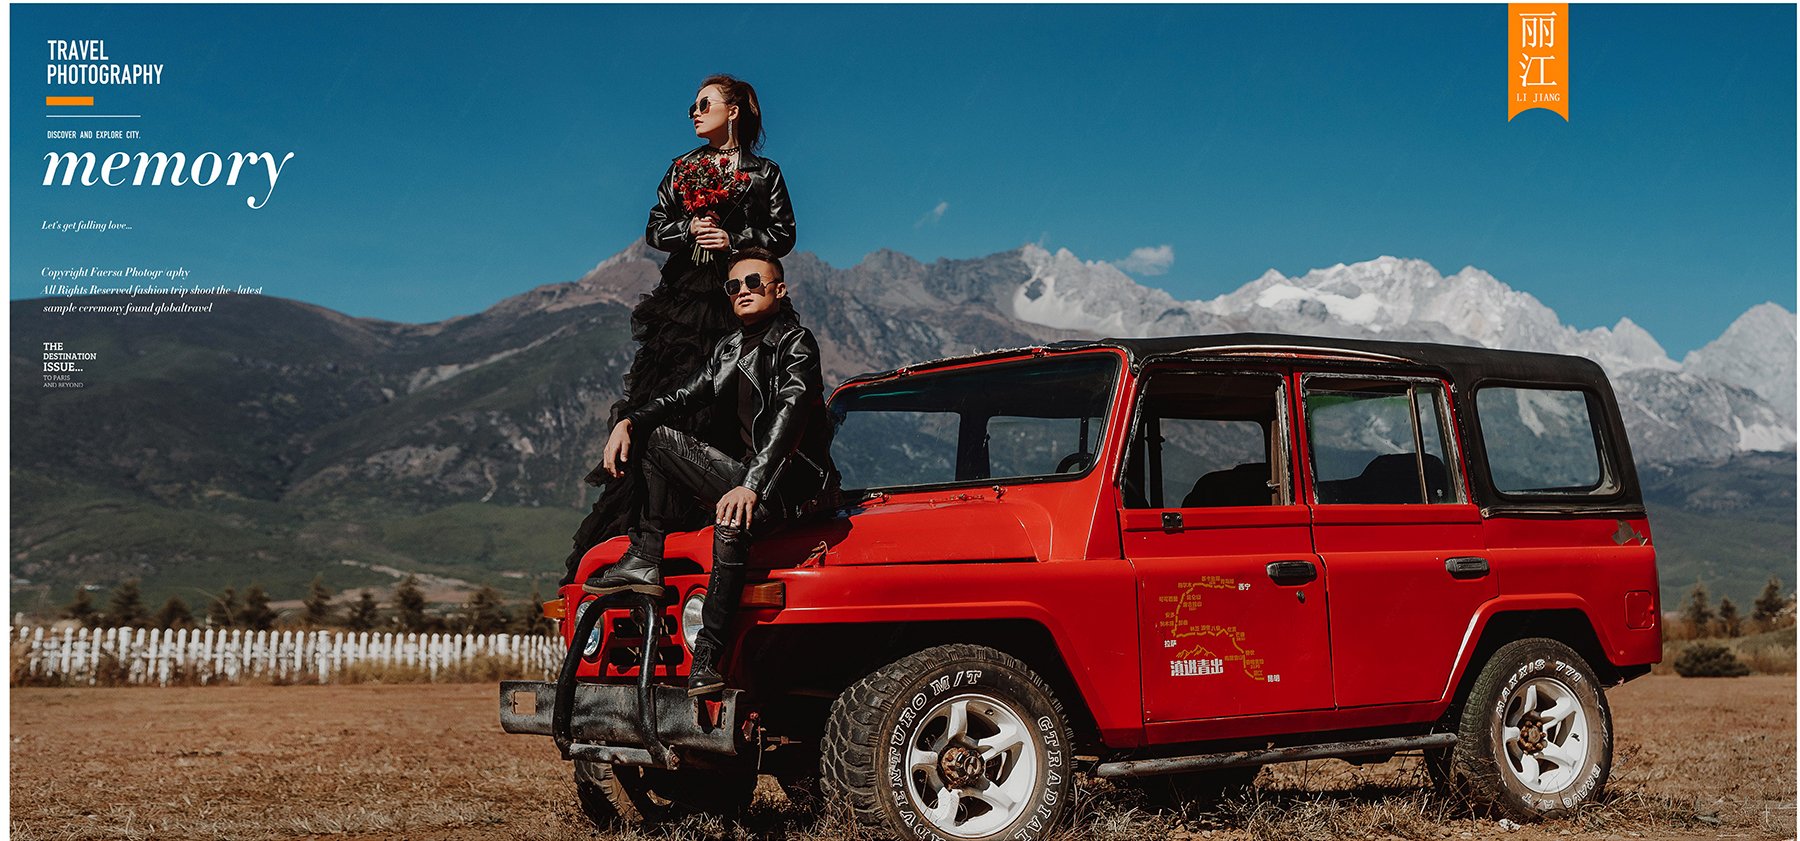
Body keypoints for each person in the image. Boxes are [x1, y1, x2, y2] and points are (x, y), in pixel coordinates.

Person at [561, 74, 797, 585]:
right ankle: (646, 542)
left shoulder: (764, 173)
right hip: (683, 305)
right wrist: (688, 229)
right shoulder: (682, 167)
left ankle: (724, 522)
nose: (693, 112)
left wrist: (734, 237)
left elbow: (783, 234)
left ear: (734, 111)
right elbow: (654, 227)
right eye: (692, 105)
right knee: (667, 399)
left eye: (704, 104)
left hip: (737, 295)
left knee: (731, 405)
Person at [586, 248, 836, 696]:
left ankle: (709, 657)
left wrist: (751, 486)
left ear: (779, 290)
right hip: (749, 479)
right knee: (656, 437)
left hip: (791, 487)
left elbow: (789, 419)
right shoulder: (730, 348)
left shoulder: (796, 343)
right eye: (734, 286)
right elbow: (682, 397)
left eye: (754, 282)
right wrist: (629, 422)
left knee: (730, 522)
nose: (743, 291)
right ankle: (646, 557)